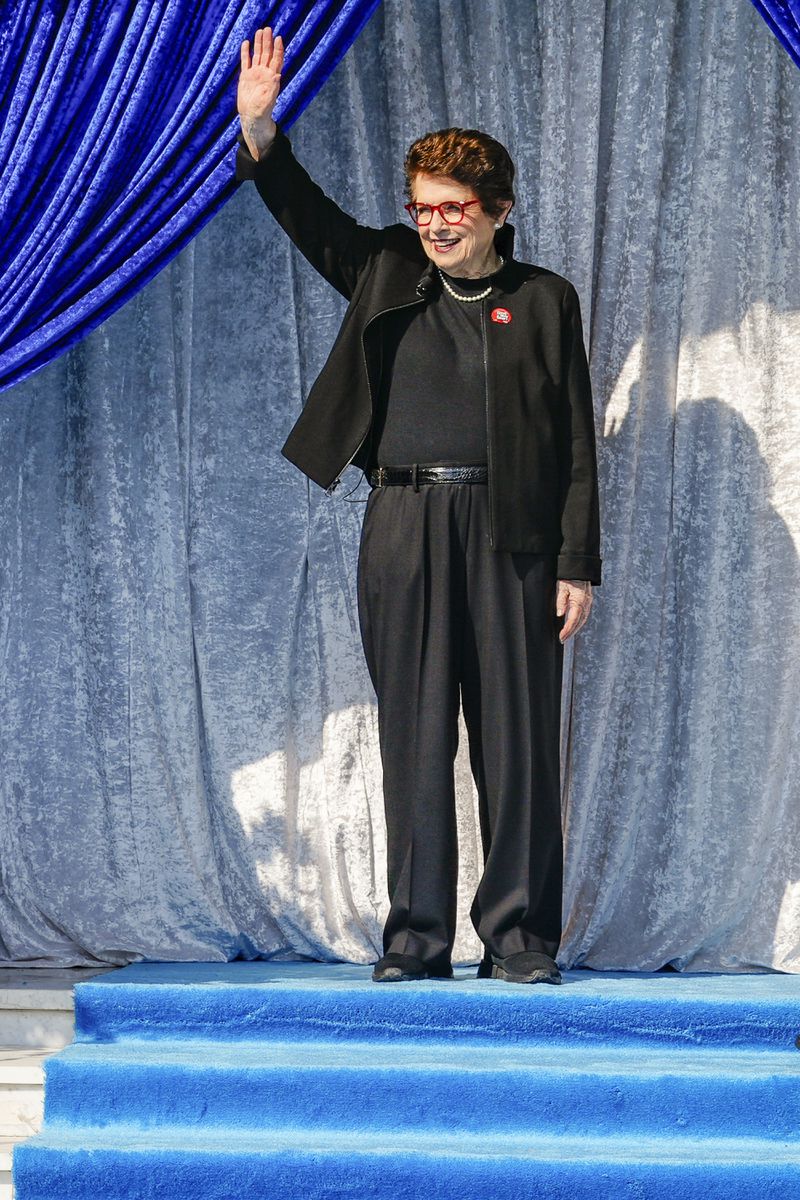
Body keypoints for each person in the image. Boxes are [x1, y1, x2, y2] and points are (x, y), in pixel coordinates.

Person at [236, 26, 601, 987]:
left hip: (515, 538)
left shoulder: (548, 301)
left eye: (453, 209)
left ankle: (521, 942)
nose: (435, 224)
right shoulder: (388, 272)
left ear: (499, 210)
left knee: (517, 746)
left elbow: (573, 445)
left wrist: (577, 564)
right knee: (413, 738)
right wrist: (262, 130)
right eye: (422, 207)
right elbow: (305, 214)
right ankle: (416, 941)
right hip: (403, 527)